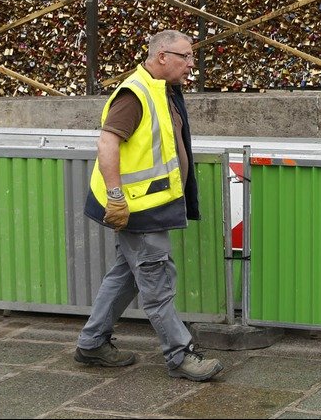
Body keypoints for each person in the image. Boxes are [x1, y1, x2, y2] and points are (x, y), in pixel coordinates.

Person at [75, 30, 224, 383]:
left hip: (151, 204)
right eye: (186, 56)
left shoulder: (161, 89)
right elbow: (107, 144)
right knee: (157, 281)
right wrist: (115, 197)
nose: (192, 64)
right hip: (136, 209)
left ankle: (92, 343)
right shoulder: (135, 94)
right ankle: (181, 355)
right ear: (162, 57)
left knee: (126, 276)